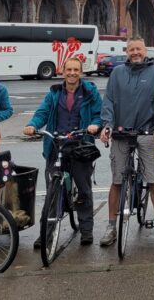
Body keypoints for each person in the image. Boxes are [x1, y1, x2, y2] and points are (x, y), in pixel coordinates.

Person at [99, 37, 154, 247]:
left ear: (145, 51)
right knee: (117, 181)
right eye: (131, 49)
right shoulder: (117, 73)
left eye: (138, 48)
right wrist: (107, 125)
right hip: (121, 133)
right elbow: (109, 102)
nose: (135, 52)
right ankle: (111, 226)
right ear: (127, 52)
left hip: (148, 132)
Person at [24, 57, 102, 246]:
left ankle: (86, 230)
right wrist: (32, 125)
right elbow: (42, 112)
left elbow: (99, 115)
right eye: (69, 69)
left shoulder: (90, 93)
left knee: (83, 189)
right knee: (52, 190)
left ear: (81, 72)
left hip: (80, 145)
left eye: (76, 70)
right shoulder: (54, 93)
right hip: (56, 144)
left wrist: (95, 125)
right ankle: (47, 233)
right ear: (62, 71)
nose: (72, 73)